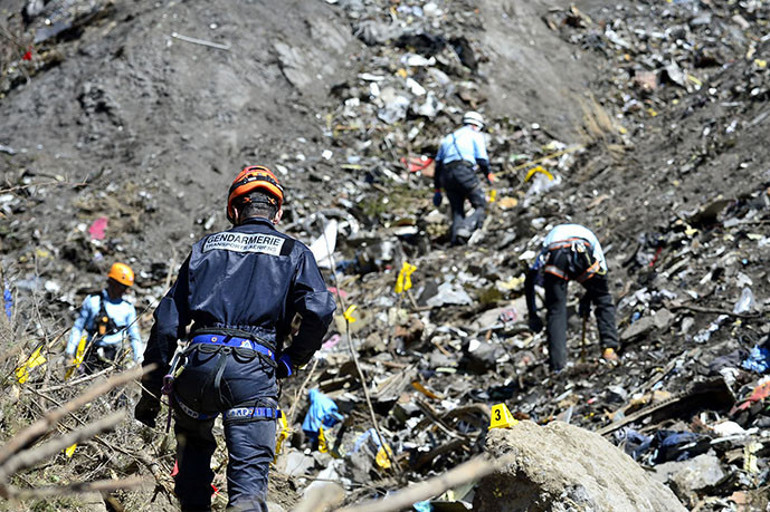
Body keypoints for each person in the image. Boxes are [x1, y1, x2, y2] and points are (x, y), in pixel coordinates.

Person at [134, 165, 336, 511]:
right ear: (278, 211)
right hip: (252, 374)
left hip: (196, 369)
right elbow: (319, 311)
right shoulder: (294, 252)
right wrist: (292, 359)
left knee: (192, 479)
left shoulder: (205, 248)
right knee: (247, 491)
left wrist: (150, 393)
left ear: (233, 209)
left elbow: (167, 323)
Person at [524, 223, 620, 372]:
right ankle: (609, 350)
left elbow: (530, 278)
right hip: (583, 251)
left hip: (556, 254)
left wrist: (533, 314)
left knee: (556, 311)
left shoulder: (549, 241)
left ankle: (558, 365)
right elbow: (601, 280)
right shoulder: (590, 238)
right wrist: (591, 295)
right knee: (603, 299)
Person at [65, 262, 142, 373]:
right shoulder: (92, 301)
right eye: (121, 286)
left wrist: (138, 360)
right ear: (111, 282)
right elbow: (78, 327)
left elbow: (134, 335)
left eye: (125, 287)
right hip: (91, 350)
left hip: (114, 353)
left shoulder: (128, 308)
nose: (123, 290)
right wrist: (70, 352)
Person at [432, 111, 495, 245]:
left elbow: (437, 167)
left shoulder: (448, 138)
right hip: (463, 171)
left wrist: (437, 190)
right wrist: (488, 174)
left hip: (446, 175)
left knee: (457, 210)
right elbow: (482, 159)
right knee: (481, 205)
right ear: (476, 125)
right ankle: (465, 228)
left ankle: (456, 241)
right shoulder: (474, 135)